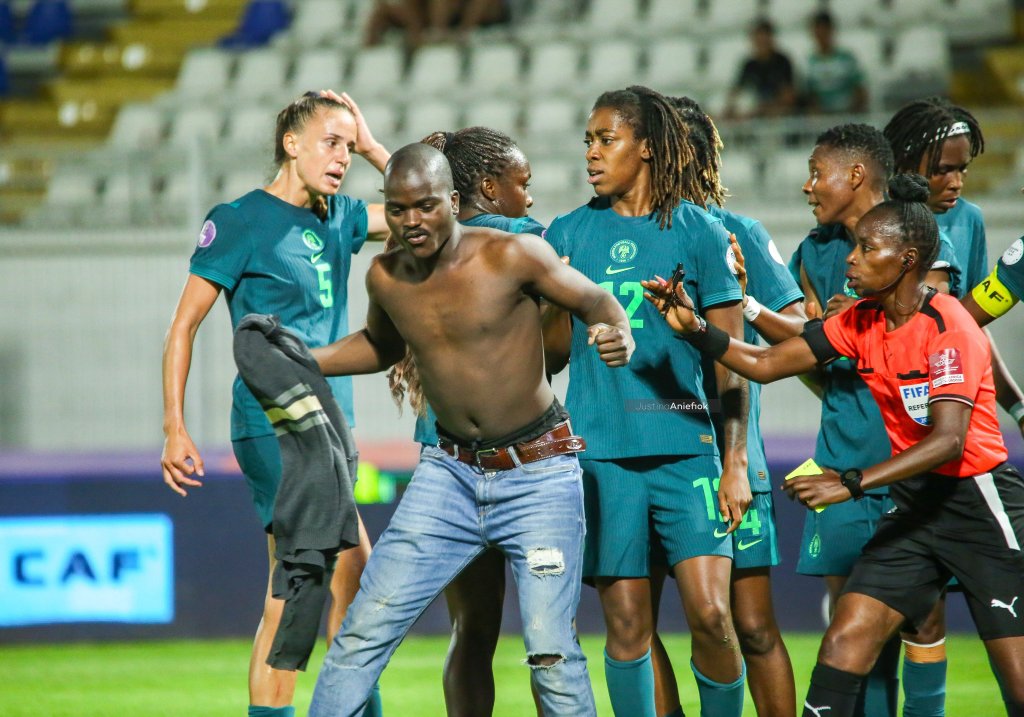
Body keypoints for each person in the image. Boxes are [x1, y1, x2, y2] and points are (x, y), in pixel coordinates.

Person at [643, 173, 1024, 717]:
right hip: (915, 509)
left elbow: (948, 440)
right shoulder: (861, 321)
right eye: (853, 248)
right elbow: (768, 363)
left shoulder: (950, 325)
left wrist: (851, 482)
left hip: (980, 507)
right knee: (845, 642)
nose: (851, 261)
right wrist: (696, 328)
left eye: (868, 249)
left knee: (1018, 684)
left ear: (907, 258)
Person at [307, 142, 634, 717]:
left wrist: (617, 331)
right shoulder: (384, 276)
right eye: (399, 209)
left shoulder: (514, 255)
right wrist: (305, 359)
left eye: (426, 206)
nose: (412, 222)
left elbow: (599, 301)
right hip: (447, 477)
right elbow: (381, 347)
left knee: (551, 656)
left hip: (539, 475)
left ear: (454, 202)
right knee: (359, 636)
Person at [160, 91, 390, 717]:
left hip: (333, 423)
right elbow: (183, 327)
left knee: (343, 582)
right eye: (331, 142)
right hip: (275, 424)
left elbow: (425, 209)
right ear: (291, 143)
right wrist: (175, 427)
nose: (342, 157)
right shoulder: (239, 221)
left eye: (349, 146)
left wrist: (374, 146)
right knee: (301, 588)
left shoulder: (340, 217)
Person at [740, 123, 960, 717]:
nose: (808, 186)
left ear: (855, 174)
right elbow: (811, 361)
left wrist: (861, 323)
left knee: (921, 617)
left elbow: (941, 338)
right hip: (841, 452)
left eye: (818, 172)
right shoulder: (811, 253)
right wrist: (757, 308)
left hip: (911, 460)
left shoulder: (915, 233)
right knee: (852, 626)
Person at [544, 85, 749, 717]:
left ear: (649, 148)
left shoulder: (702, 234)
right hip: (601, 456)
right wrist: (571, 312)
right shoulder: (568, 233)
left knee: (714, 617)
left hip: (686, 450)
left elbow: (731, 362)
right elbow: (549, 354)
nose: (592, 154)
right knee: (628, 628)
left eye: (606, 140)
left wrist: (735, 462)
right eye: (588, 141)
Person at [645, 94, 802, 717]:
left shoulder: (739, 233)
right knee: (638, 618)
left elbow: (803, 331)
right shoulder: (619, 231)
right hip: (650, 450)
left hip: (733, 454)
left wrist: (745, 300)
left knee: (752, 624)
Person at [387, 126, 546, 717]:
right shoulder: (518, 239)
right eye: (521, 184)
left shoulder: (419, 250)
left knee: (471, 630)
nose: (528, 198)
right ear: (487, 187)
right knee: (548, 635)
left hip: (443, 457)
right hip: (520, 457)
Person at [884, 97, 1024, 715]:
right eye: (943, 167)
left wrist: (1017, 404)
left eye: (963, 169)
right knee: (910, 616)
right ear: (911, 158)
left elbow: (964, 333)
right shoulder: (881, 222)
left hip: (958, 435)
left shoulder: (964, 219)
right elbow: (925, 319)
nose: (956, 182)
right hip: (889, 435)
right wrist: (1007, 289)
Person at [724, 17, 796, 120]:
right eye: (758, 39)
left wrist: (764, 108)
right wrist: (730, 109)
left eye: (764, 38)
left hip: (778, 116)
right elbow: (735, 92)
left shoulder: (782, 62)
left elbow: (789, 97)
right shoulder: (749, 65)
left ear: (771, 38)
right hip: (755, 115)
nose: (761, 43)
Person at [803, 10, 867, 114]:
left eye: (824, 30)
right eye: (817, 31)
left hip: (847, 115)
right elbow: (809, 95)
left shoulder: (847, 58)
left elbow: (860, 89)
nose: (821, 35)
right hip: (822, 118)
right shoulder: (809, 62)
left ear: (831, 31)